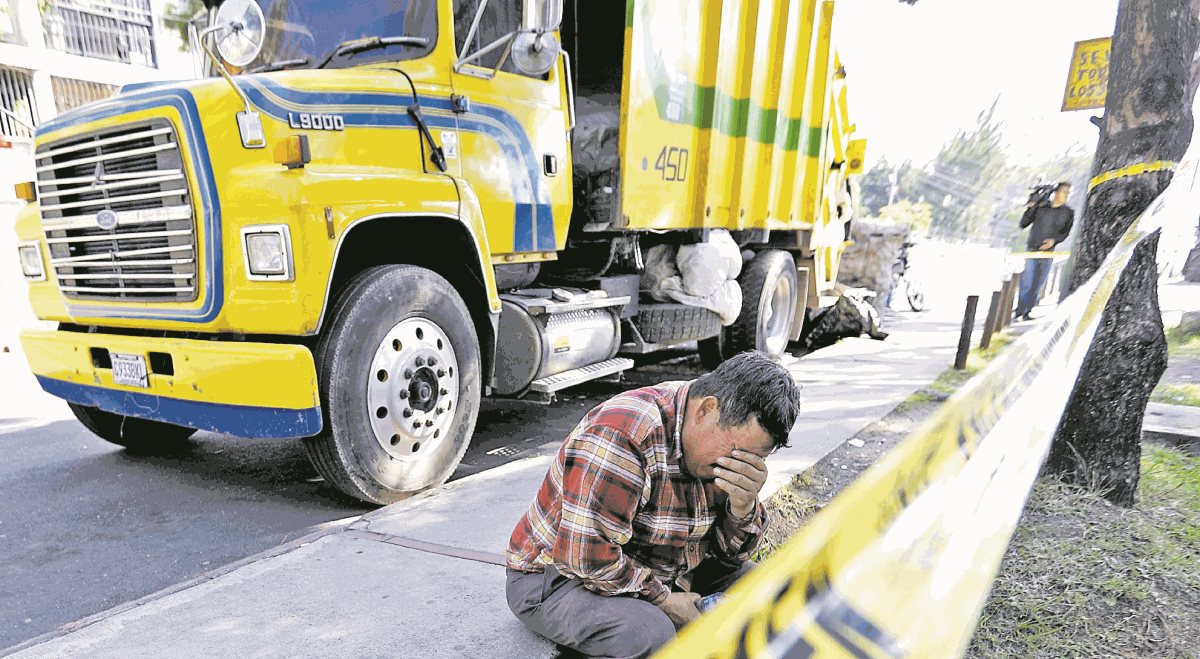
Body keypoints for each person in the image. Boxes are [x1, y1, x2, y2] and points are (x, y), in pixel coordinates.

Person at [504, 351, 802, 659]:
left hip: (663, 566)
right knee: (651, 634)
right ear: (707, 410)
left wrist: (743, 507)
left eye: (757, 459)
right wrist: (665, 600)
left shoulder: (719, 446)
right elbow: (586, 557)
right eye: (738, 452)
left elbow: (730, 560)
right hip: (559, 576)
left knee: (773, 590)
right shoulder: (624, 433)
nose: (740, 466)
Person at [1014, 181, 1075, 321]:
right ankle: (1019, 311)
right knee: (1027, 280)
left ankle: (1027, 311)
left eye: (1069, 193)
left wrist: (1054, 241)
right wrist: (1031, 207)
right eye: (1065, 192)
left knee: (1039, 282)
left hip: (1049, 253)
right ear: (1056, 192)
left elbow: (1065, 233)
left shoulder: (1068, 213)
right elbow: (1023, 224)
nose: (1067, 195)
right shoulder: (1041, 207)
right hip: (1032, 249)